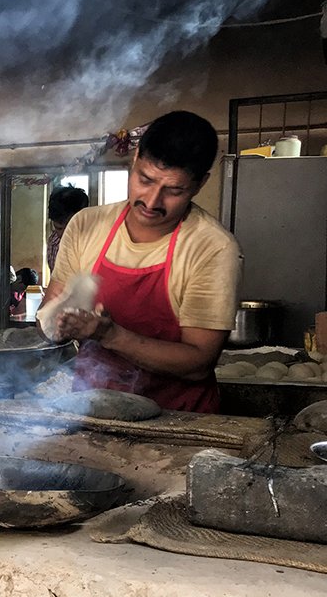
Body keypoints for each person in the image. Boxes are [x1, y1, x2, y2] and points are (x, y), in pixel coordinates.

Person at [41, 110, 243, 413]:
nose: (151, 201)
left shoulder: (212, 247)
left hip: (179, 422)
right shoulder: (86, 225)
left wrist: (109, 335)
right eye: (144, 180)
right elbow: (49, 313)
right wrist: (58, 322)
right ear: (133, 160)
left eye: (174, 190)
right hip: (93, 410)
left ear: (200, 184)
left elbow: (198, 363)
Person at [47, 186, 89, 271]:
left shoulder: (96, 241)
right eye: (59, 228)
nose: (65, 234)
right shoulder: (54, 242)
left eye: (71, 227)